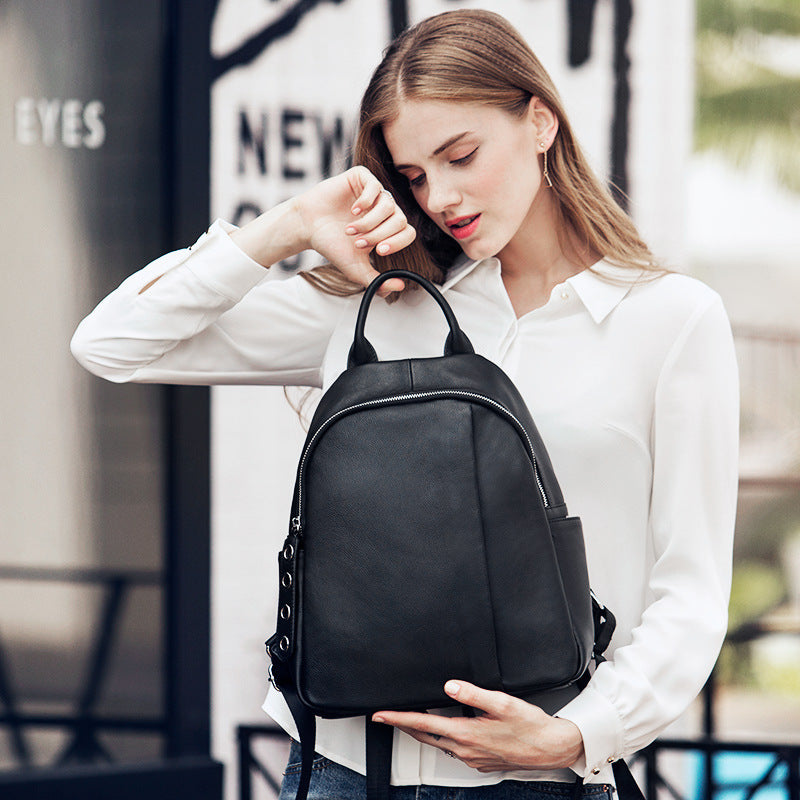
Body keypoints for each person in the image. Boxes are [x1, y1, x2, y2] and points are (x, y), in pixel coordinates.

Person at [71, 9, 739, 799]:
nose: (442, 195)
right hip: (344, 772)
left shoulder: (670, 320)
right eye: (415, 175)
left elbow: (690, 590)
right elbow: (111, 343)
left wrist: (582, 732)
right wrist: (288, 226)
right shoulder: (381, 302)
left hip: (543, 777)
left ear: (540, 120)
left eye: (461, 155)